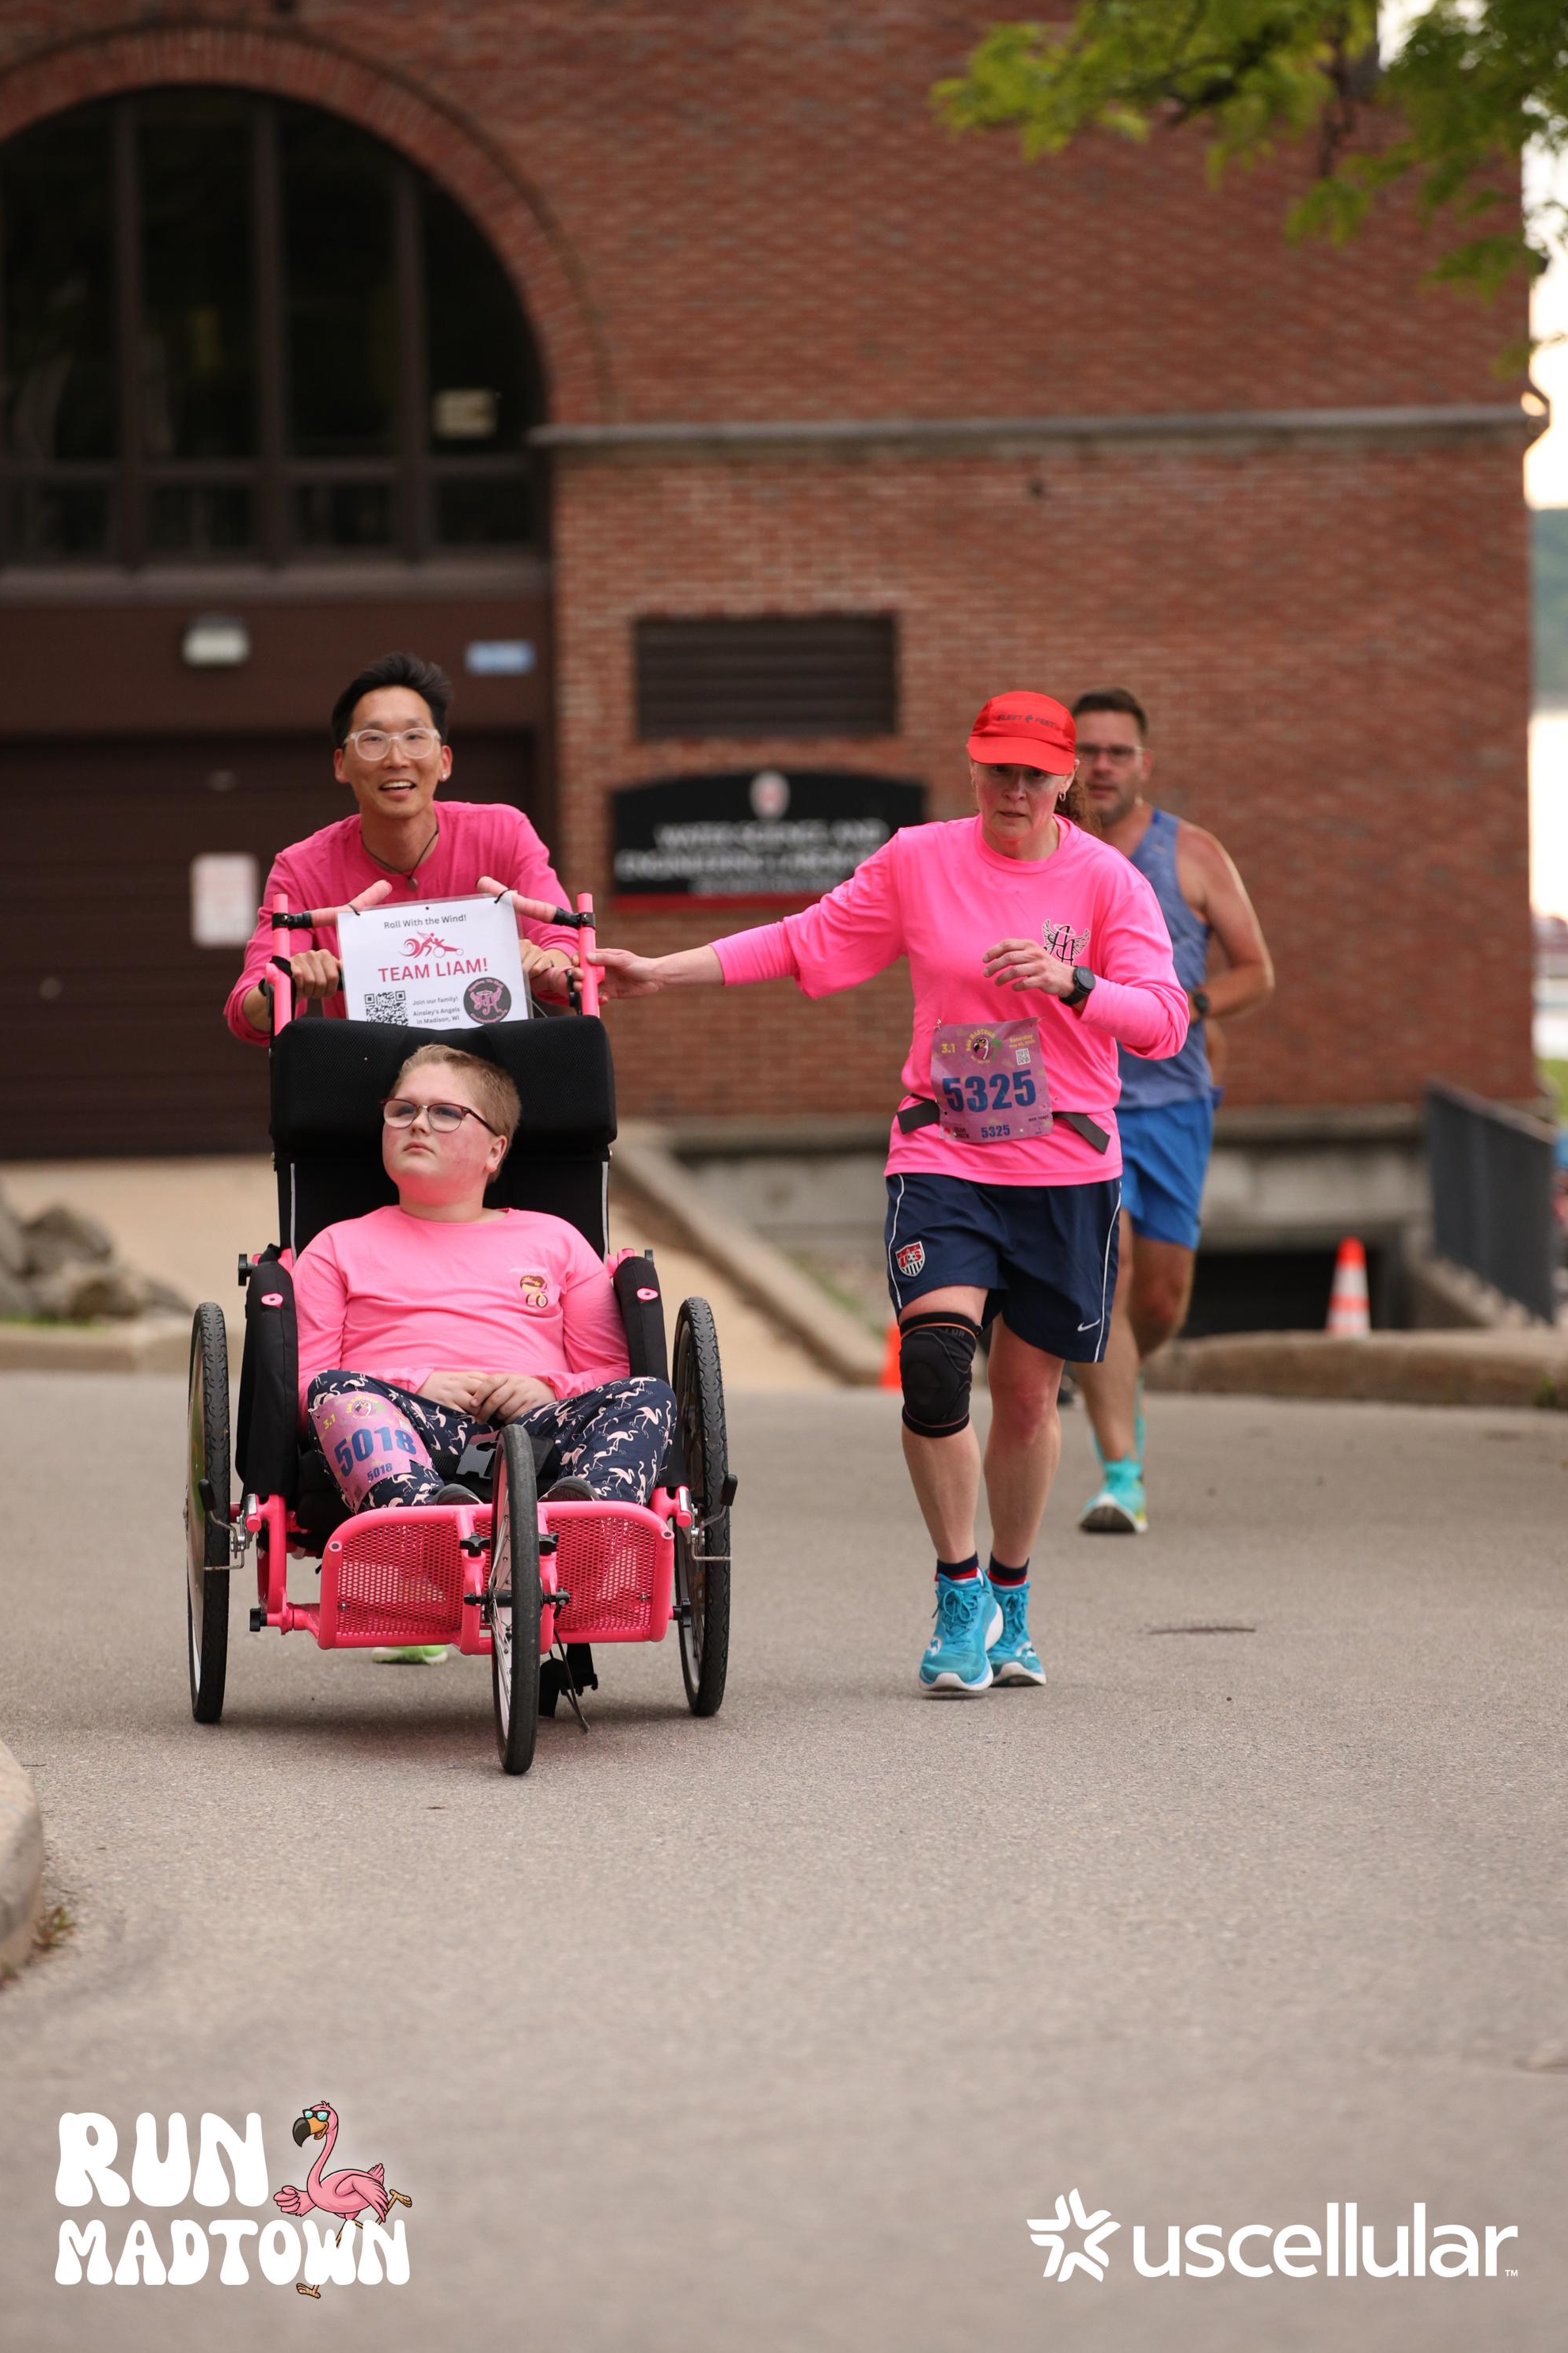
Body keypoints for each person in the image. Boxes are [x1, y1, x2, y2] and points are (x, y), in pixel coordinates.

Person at [591, 690, 1188, 1697]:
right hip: (944, 1151)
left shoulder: (1105, 882)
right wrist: (661, 972)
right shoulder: (920, 859)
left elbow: (1164, 1022)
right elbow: (803, 939)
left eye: (1033, 773)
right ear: (972, 767)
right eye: (997, 767)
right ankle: (958, 1590)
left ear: (1062, 782)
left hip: (1064, 1166)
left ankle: (1011, 1597)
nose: (1013, 788)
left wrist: (1073, 983)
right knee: (935, 1366)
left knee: (1027, 1399)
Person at [294, 1040, 677, 1663]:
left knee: (649, 1394)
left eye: (446, 1113)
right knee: (336, 1395)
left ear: (496, 1149)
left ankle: (582, 1534)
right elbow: (305, 1385)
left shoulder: (556, 1240)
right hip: (410, 1431)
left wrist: (548, 1388)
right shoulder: (337, 1247)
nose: (418, 1124)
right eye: (402, 1110)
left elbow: (609, 1371)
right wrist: (416, 1383)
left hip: (540, 1429)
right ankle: (434, 1538)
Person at [1069, 688, 1274, 1535]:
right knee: (1107, 1275)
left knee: (1159, 1302)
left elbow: (1256, 970)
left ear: (1143, 762)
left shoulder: (1191, 852)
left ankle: (1110, 1371)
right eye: (1086, 750)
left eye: (1117, 752)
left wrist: (1190, 1006)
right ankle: (1122, 1475)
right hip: (1079, 1102)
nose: (1101, 766)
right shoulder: (1050, 850)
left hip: (1175, 1101)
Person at [226, 651, 579, 1042]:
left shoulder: (504, 833)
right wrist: (285, 983)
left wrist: (548, 962)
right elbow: (247, 1012)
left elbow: (564, 946)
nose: (396, 759)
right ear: (341, 764)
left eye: (414, 737)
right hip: (373, 1071)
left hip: (492, 1068)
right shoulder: (302, 868)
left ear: (444, 760)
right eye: (373, 740)